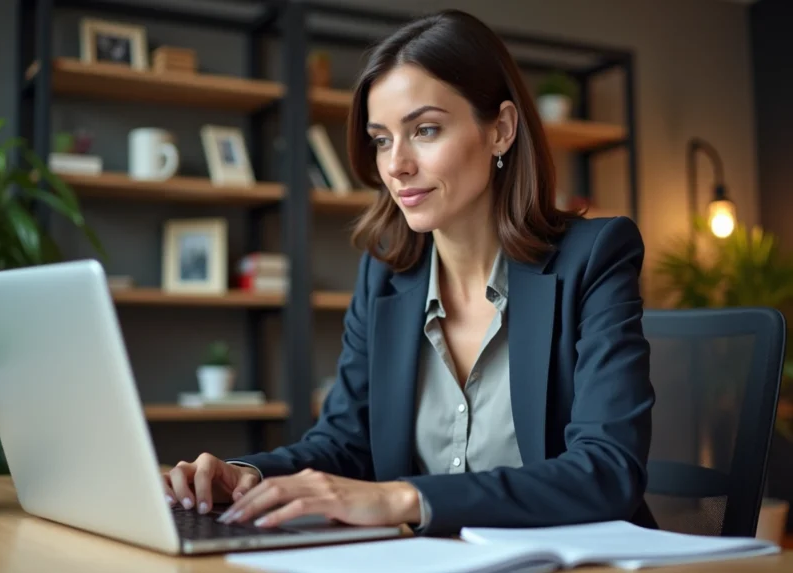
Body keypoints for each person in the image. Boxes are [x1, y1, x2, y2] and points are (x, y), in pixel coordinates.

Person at [163, 8, 656, 537]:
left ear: (502, 131)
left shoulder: (595, 257)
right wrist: (245, 477)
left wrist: (402, 498)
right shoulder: (384, 276)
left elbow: (607, 470)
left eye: (425, 130)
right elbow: (344, 443)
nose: (396, 164)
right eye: (381, 139)